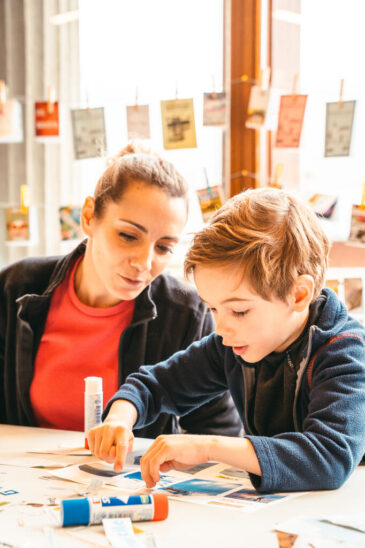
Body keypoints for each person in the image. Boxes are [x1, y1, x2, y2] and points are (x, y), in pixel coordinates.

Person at [89, 187, 365, 493]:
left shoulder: (346, 353)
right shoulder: (233, 343)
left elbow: (329, 458)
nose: (221, 328)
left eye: (239, 310)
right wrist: (120, 417)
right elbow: (155, 384)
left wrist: (208, 447)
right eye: (213, 308)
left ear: (298, 294)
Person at [0, 143, 241, 438]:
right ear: (88, 217)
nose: (144, 262)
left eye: (164, 247)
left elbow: (218, 435)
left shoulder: (185, 313)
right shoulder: (14, 287)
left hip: (134, 482)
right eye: (128, 236)